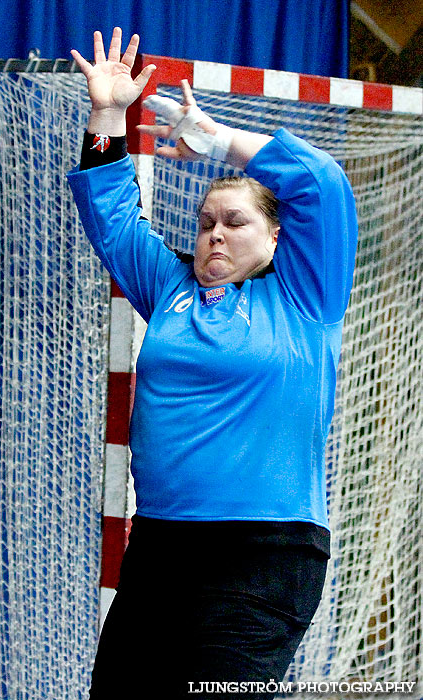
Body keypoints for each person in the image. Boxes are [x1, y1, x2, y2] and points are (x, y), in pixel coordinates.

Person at [69, 28, 357, 700]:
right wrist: (108, 112)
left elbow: (320, 182)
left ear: (277, 235)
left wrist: (218, 138)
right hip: (162, 551)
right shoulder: (171, 289)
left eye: (234, 222)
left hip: (264, 556)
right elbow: (110, 219)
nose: (214, 234)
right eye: (204, 223)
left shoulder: (305, 296)